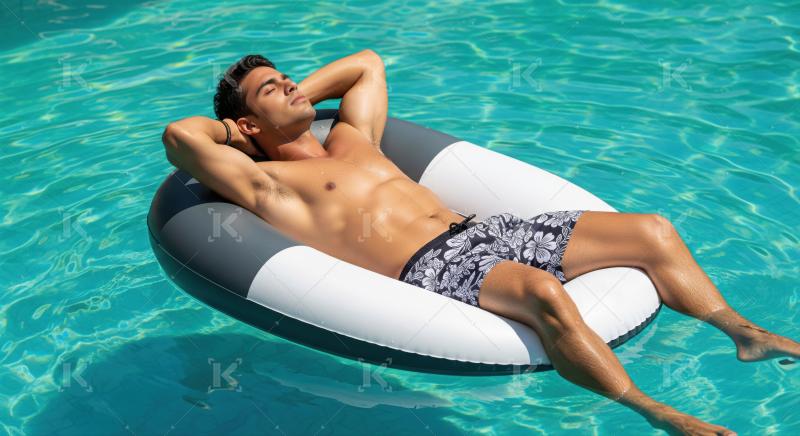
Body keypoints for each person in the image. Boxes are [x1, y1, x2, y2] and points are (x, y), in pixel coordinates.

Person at [161, 50, 799, 435]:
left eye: (289, 77)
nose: (293, 86)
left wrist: (288, 95)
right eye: (272, 89)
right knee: (543, 291)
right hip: (431, 264)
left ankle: (742, 332)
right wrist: (236, 131)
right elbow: (179, 137)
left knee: (652, 230)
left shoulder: (354, 140)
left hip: (485, 231)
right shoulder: (270, 183)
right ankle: (654, 412)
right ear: (245, 123)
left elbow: (367, 66)